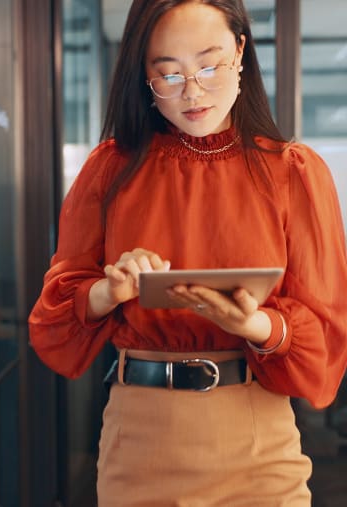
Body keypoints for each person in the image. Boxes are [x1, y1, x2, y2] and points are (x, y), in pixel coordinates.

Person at [28, 1, 347, 505]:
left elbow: (326, 345)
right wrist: (108, 291)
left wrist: (254, 325)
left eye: (208, 65)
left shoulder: (293, 173)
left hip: (256, 442)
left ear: (241, 50)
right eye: (169, 75)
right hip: (141, 441)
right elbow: (52, 329)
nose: (192, 91)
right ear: (144, 76)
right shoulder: (112, 169)